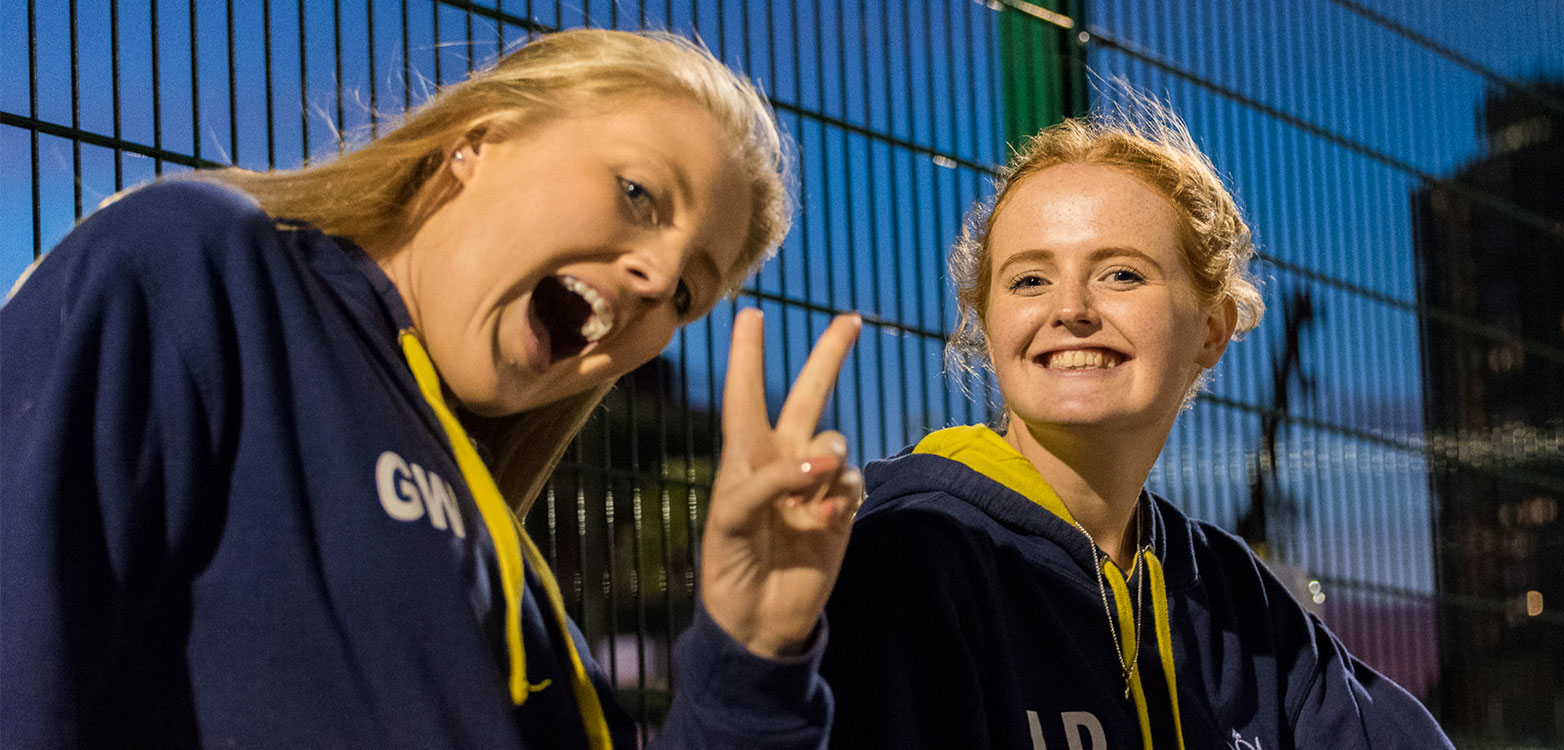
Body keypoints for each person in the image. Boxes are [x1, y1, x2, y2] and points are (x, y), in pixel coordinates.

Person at [1, 29, 862, 750]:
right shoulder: (204, 270)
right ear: (474, 144)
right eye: (637, 194)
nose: (659, 274)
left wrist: (753, 655)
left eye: (688, 294)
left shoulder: (519, 584)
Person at [818, 103, 1456, 749]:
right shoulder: (909, 560)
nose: (1070, 309)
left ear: (1211, 330)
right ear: (986, 324)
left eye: (1121, 274)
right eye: (1030, 279)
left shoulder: (1236, 595)